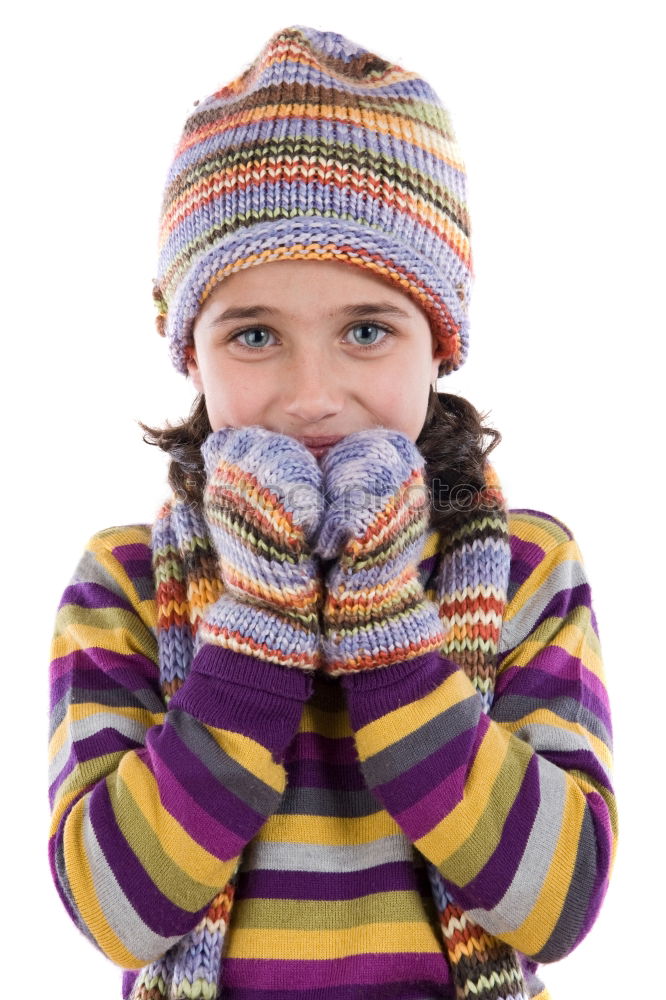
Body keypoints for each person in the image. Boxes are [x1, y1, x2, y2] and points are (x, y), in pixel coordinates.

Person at [47, 24, 617, 1000]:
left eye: (366, 329)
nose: (313, 393)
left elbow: (556, 902)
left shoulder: (528, 565)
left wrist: (388, 627)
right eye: (255, 333)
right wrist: (259, 627)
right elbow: (117, 911)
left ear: (439, 344)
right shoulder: (126, 584)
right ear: (192, 352)